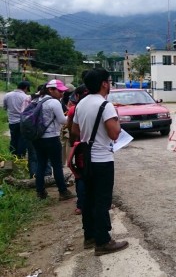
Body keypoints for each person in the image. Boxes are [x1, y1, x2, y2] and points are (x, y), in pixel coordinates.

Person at [71, 68, 129, 255]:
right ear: (104, 83)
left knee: (88, 198)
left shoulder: (81, 104)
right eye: (109, 81)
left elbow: (75, 132)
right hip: (102, 159)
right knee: (102, 200)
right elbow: (114, 133)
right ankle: (103, 242)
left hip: (86, 159)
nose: (110, 84)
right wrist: (116, 121)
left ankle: (89, 237)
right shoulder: (106, 105)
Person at [33, 80, 75, 200]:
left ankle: (40, 192)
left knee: (41, 164)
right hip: (51, 138)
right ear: (50, 90)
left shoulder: (36, 99)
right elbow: (63, 121)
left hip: (37, 138)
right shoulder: (53, 102)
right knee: (56, 165)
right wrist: (71, 115)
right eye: (59, 91)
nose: (62, 93)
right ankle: (63, 192)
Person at [66, 85, 89, 215]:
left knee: (80, 176)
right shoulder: (100, 107)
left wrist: (72, 142)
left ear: (78, 96)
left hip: (79, 146)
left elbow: (70, 128)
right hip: (95, 147)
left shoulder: (74, 109)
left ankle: (81, 205)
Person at [3, 81, 30, 158]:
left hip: (12, 121)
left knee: (13, 139)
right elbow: (28, 111)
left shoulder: (7, 95)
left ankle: (12, 156)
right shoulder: (26, 97)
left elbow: (5, 107)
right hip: (22, 122)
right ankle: (20, 157)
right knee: (22, 140)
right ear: (26, 88)